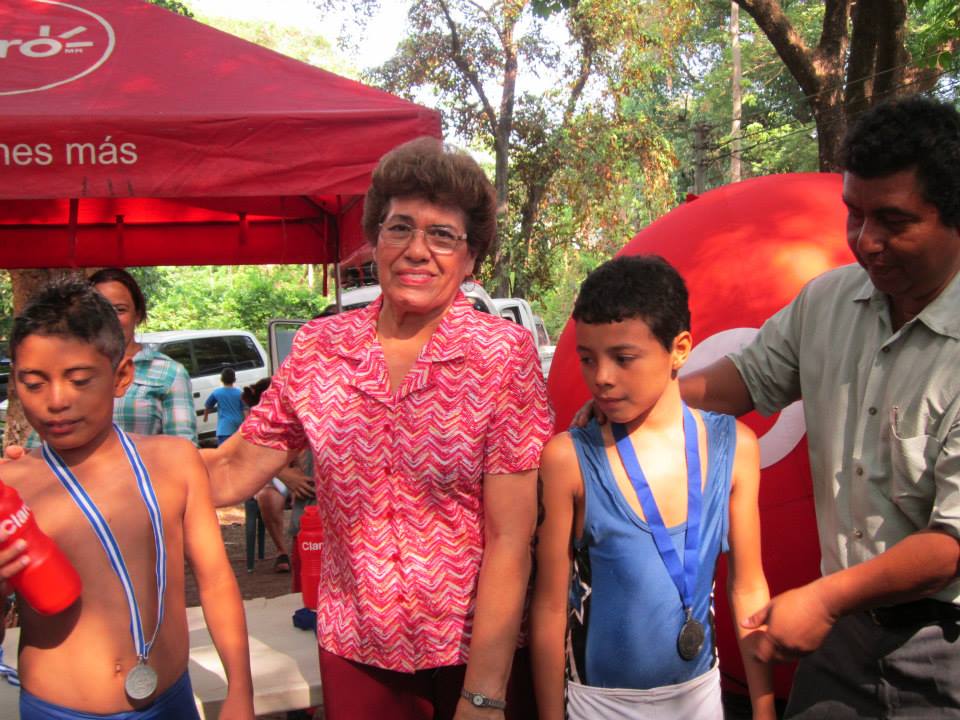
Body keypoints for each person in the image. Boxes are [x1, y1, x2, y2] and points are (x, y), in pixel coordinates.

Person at [579, 95, 960, 718]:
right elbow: (748, 378)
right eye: (854, 215)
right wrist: (644, 398)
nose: (867, 242)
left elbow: (952, 542)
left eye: (893, 220)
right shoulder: (830, 302)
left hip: (944, 645)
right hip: (845, 638)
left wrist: (826, 599)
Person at [202, 136, 553, 720]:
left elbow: (512, 536)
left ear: (470, 259)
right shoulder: (321, 348)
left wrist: (485, 692)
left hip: (471, 654)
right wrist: (105, 466)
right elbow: (235, 468)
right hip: (356, 650)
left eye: (442, 234)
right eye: (400, 228)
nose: (418, 249)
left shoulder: (501, 354)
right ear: (376, 240)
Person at [531, 256, 774, 720]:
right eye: (587, 358)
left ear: (680, 349)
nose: (601, 376)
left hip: (700, 696)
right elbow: (548, 610)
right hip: (599, 705)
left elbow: (748, 587)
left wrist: (763, 710)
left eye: (623, 358)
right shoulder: (569, 460)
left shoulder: (735, 447)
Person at [0, 279, 253, 719]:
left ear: (121, 377)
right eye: (34, 383)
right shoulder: (10, 488)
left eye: (79, 380)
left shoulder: (174, 462)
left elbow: (215, 581)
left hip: (169, 700)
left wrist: (240, 692)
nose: (57, 401)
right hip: (58, 708)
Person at [89, 268, 198, 443]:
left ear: (137, 315)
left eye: (119, 309)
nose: (108, 318)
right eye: (97, 309)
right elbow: (40, 447)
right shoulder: (67, 370)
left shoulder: (169, 374)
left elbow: (184, 450)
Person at [243, 377, 315, 573]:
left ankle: (306, 547)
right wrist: (286, 474)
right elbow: (253, 455)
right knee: (268, 497)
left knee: (308, 486)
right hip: (274, 473)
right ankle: (283, 551)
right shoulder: (259, 421)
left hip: (305, 474)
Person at [204, 367, 245, 447]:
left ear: (221, 379)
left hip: (224, 428)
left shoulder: (217, 393)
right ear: (234, 379)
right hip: (238, 427)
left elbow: (208, 406)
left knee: (224, 451)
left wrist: (205, 417)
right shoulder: (240, 393)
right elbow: (245, 409)